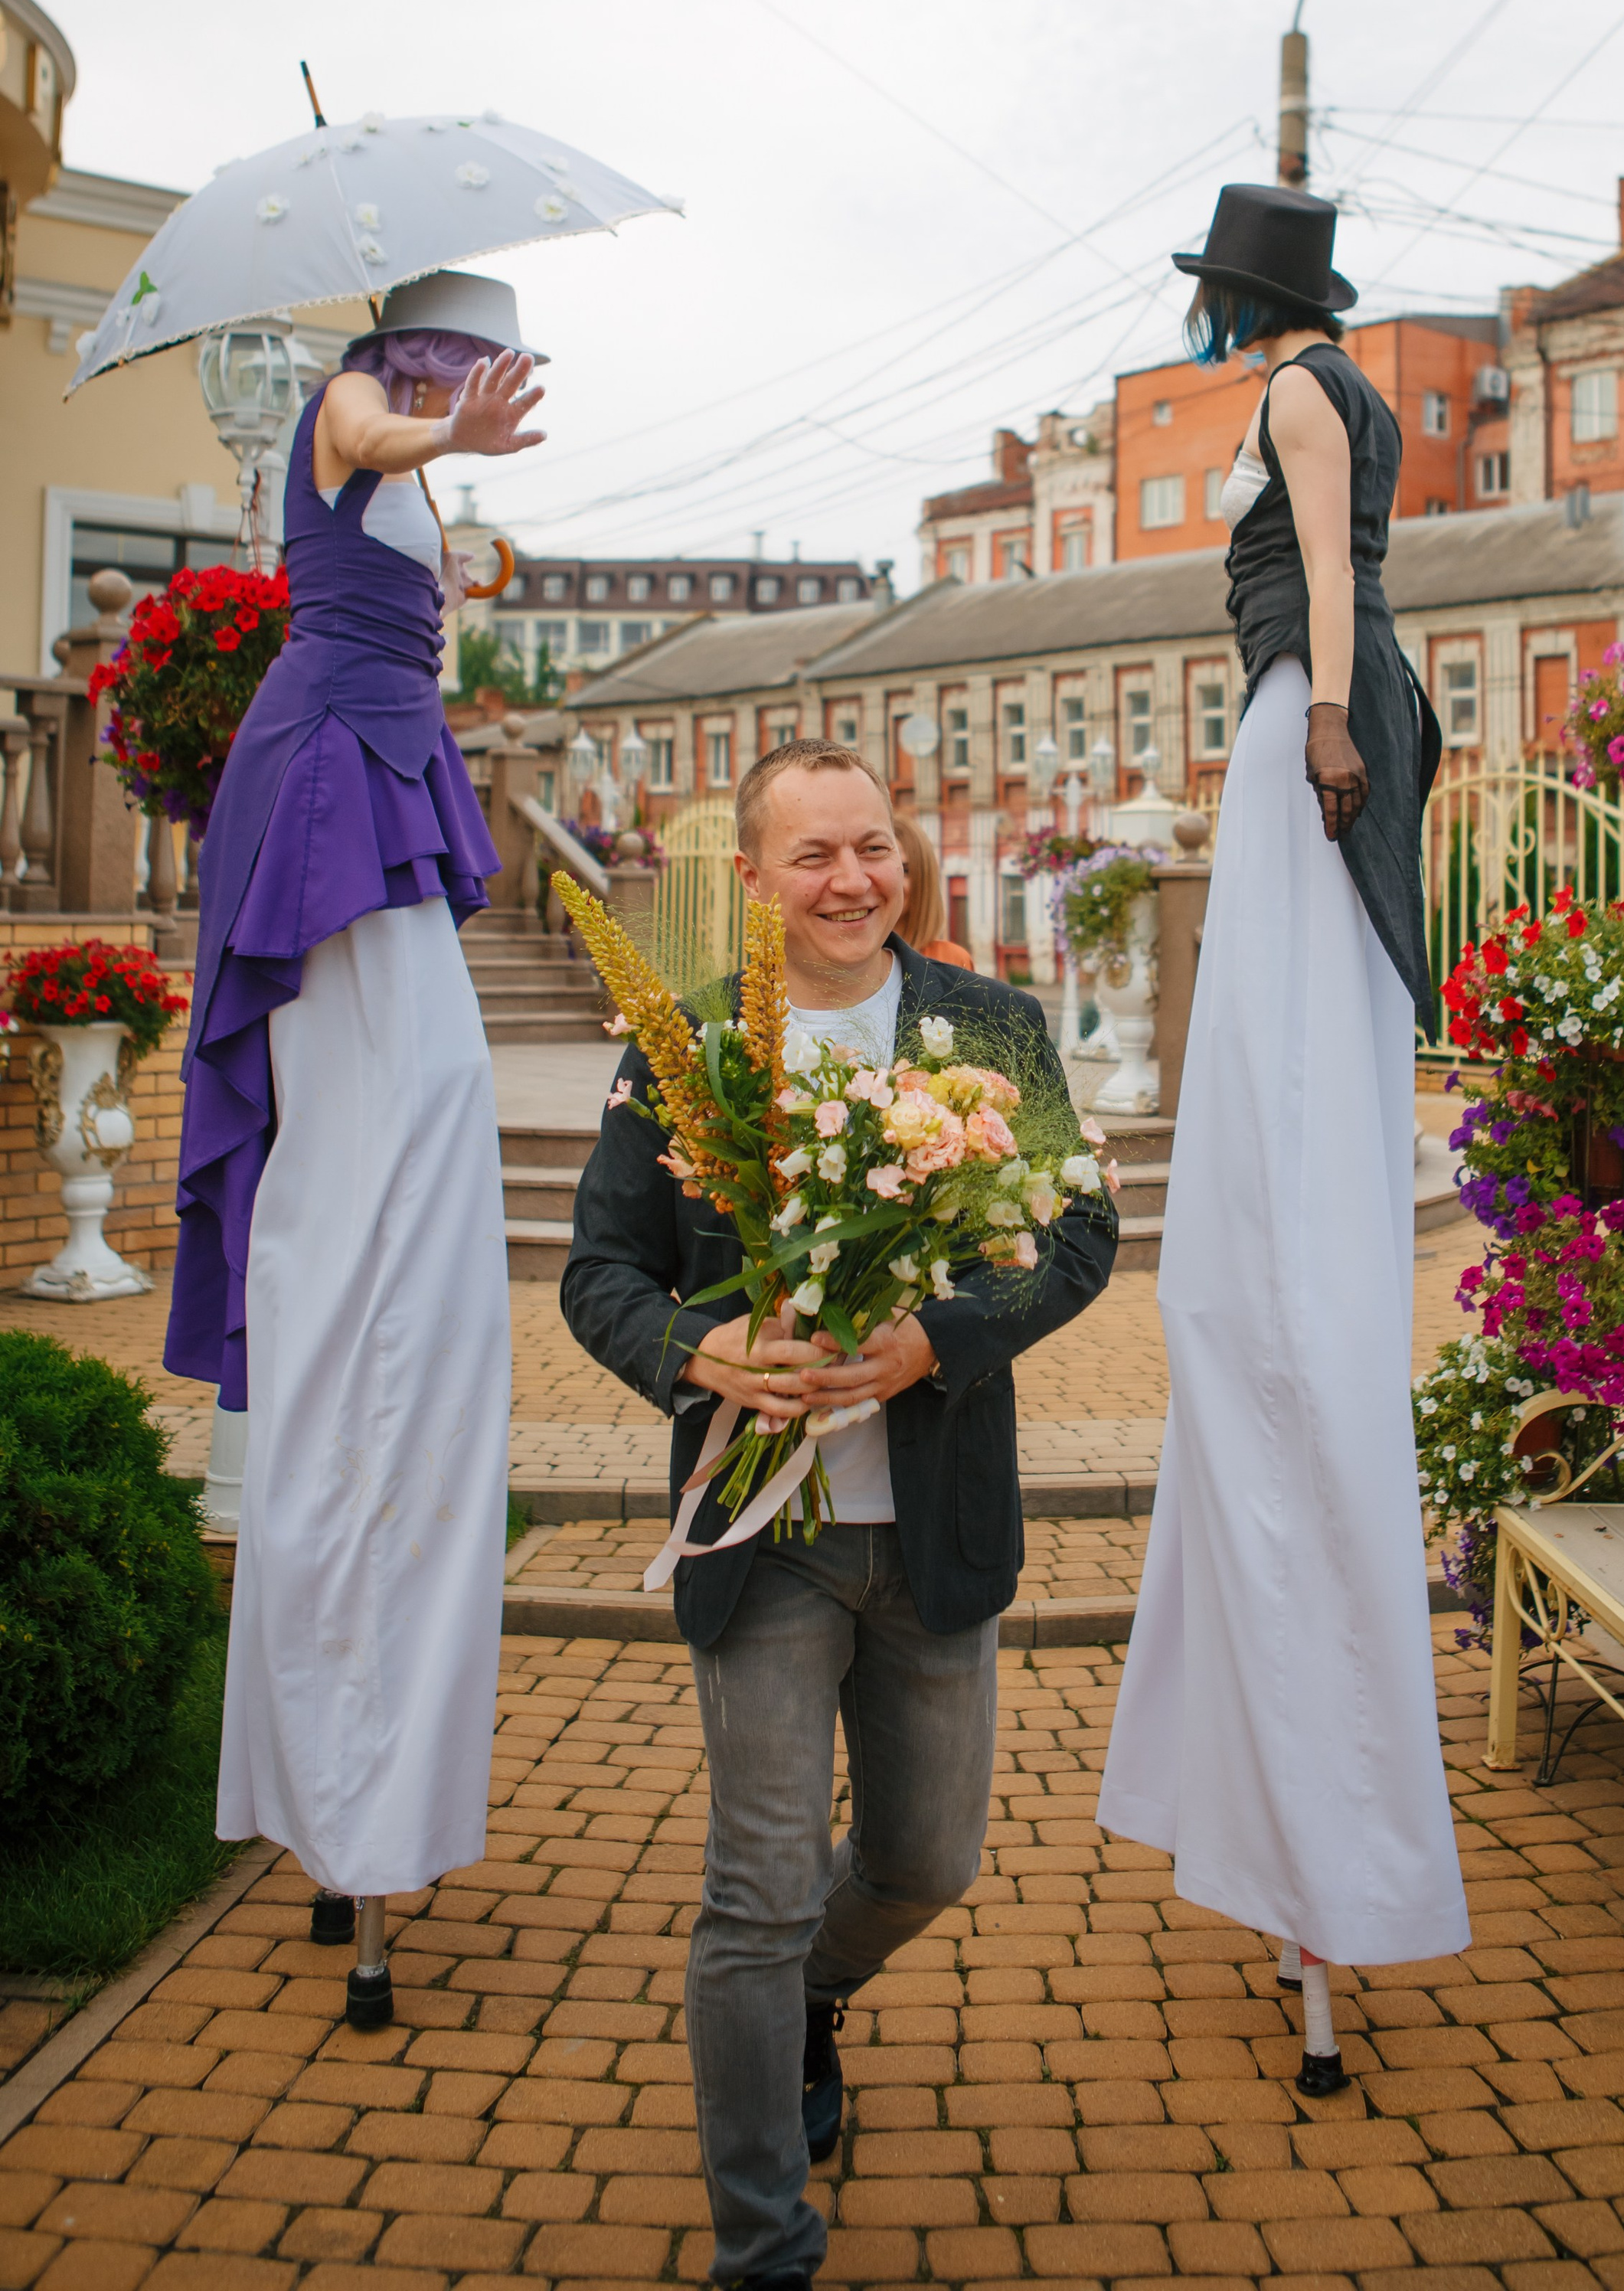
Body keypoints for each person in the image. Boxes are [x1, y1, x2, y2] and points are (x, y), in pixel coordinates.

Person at [561, 737, 1117, 2291]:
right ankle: (764, 2241)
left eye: (872, 846)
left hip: (930, 1520)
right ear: (748, 879)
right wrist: (699, 1348)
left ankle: (807, 1997)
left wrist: (940, 1335)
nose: (853, 879)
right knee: (754, 1886)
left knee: (927, 1861)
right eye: (811, 856)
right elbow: (599, 1271)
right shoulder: (676, 1051)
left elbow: (1074, 1229)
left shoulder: (985, 1024)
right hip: (762, 1538)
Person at [1096, 185, 1466, 2096]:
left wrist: (1326, 716)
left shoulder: (1304, 391)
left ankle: (1300, 1824)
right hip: (1306, 719)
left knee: (1279, 1071)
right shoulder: (1330, 379)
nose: (1213, 311)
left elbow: (1329, 570)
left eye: (1217, 286)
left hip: (1290, 725)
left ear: (1250, 291)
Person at [165, 269, 545, 2028]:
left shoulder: (422, 466)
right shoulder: (350, 404)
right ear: (422, 351)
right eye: (466, 352)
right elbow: (364, 432)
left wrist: (458, 485)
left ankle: (350, 1796)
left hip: (382, 765)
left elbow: (416, 519)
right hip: (328, 774)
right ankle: (344, 1791)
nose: (485, 377)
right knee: (377, 1175)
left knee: (427, 1144)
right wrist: (435, 430)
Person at [893, 809, 975, 967]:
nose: (894, 881)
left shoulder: (952, 961)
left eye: (907, 871)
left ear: (924, 880)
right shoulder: (841, 963)